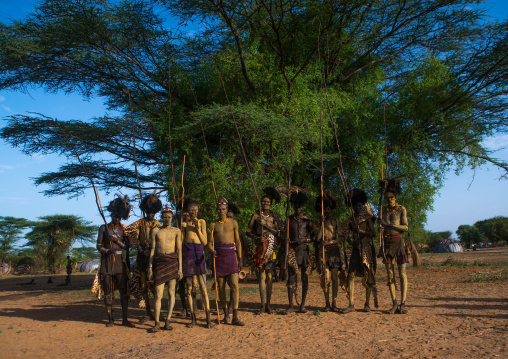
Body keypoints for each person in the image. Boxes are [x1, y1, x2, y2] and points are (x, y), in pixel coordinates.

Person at [96, 195, 134, 327]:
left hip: (119, 262)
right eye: (114, 216)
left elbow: (127, 246)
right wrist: (107, 251)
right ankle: (110, 319)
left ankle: (125, 319)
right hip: (107, 262)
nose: (116, 218)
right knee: (108, 291)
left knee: (123, 291)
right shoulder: (103, 228)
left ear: (121, 216)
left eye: (118, 216)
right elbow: (98, 246)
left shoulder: (124, 229)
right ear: (111, 215)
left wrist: (116, 240)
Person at [125, 192, 162, 322]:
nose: (150, 214)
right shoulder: (139, 223)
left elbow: (162, 239)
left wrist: (154, 245)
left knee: (156, 285)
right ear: (145, 211)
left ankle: (157, 311)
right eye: (148, 212)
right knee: (143, 285)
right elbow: (128, 231)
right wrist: (138, 245)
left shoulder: (158, 225)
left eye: (152, 212)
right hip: (142, 257)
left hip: (154, 258)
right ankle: (148, 312)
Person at [246, 187, 283, 314]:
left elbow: (278, 233)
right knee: (261, 276)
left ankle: (268, 304)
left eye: (268, 202)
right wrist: (257, 237)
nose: (265, 204)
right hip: (260, 248)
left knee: (269, 276)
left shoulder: (274, 216)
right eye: (264, 202)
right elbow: (247, 232)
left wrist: (266, 225)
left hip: (271, 248)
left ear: (270, 203)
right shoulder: (255, 215)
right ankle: (262, 304)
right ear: (261, 202)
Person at [209, 197, 244, 326]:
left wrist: (239, 259)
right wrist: (212, 250)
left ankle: (235, 316)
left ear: (227, 209)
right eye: (219, 209)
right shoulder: (213, 225)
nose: (221, 211)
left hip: (231, 255)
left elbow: (238, 242)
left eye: (223, 209)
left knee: (235, 285)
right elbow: (209, 243)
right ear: (216, 211)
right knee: (221, 287)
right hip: (219, 256)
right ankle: (226, 315)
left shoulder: (233, 223)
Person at [342, 189, 378, 313]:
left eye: (359, 205)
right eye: (355, 206)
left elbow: (374, 234)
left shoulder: (368, 218)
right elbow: (345, 235)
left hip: (367, 248)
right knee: (350, 274)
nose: (357, 208)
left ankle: (367, 304)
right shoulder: (350, 219)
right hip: (356, 250)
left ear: (362, 205)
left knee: (368, 275)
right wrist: (351, 242)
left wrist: (362, 232)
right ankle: (351, 304)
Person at [148, 207, 182, 332]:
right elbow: (152, 250)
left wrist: (180, 269)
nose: (167, 219)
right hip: (160, 263)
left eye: (169, 217)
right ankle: (157, 323)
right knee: (158, 294)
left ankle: (167, 321)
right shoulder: (156, 231)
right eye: (165, 217)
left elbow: (179, 250)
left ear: (172, 217)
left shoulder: (177, 231)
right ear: (162, 217)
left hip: (173, 262)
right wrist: (150, 267)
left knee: (172, 293)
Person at [378, 177, 409, 314]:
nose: (389, 200)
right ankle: (394, 303)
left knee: (402, 274)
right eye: (387, 197)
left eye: (391, 197)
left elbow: (405, 227)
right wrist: (381, 229)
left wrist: (389, 225)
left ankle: (403, 303)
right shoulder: (382, 211)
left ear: (395, 197)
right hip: (387, 243)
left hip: (399, 242)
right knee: (390, 274)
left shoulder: (401, 209)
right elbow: (382, 226)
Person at [181, 199, 213, 328]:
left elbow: (205, 242)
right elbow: (182, 241)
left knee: (203, 287)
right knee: (189, 287)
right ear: (188, 212)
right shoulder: (184, 225)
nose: (193, 213)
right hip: (188, 254)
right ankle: (193, 317)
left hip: (199, 253)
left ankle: (208, 318)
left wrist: (197, 228)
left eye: (195, 210)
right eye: (191, 211)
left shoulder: (202, 222)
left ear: (198, 211)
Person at [314, 193, 345, 312]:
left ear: (330, 210)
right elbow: (317, 239)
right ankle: (327, 303)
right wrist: (321, 225)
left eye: (328, 209)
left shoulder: (336, 222)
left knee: (334, 278)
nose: (326, 212)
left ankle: (334, 302)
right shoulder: (320, 223)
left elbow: (341, 238)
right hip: (324, 254)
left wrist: (331, 241)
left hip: (334, 253)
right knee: (325, 278)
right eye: (324, 210)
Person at [285, 191, 313, 314]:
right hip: (292, 251)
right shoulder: (289, 220)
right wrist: (285, 239)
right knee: (291, 279)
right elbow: (283, 235)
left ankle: (302, 305)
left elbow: (314, 238)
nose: (298, 209)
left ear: (303, 208)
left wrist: (305, 240)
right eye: (296, 207)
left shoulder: (308, 221)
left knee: (304, 278)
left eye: (300, 207)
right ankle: (291, 306)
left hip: (304, 251)